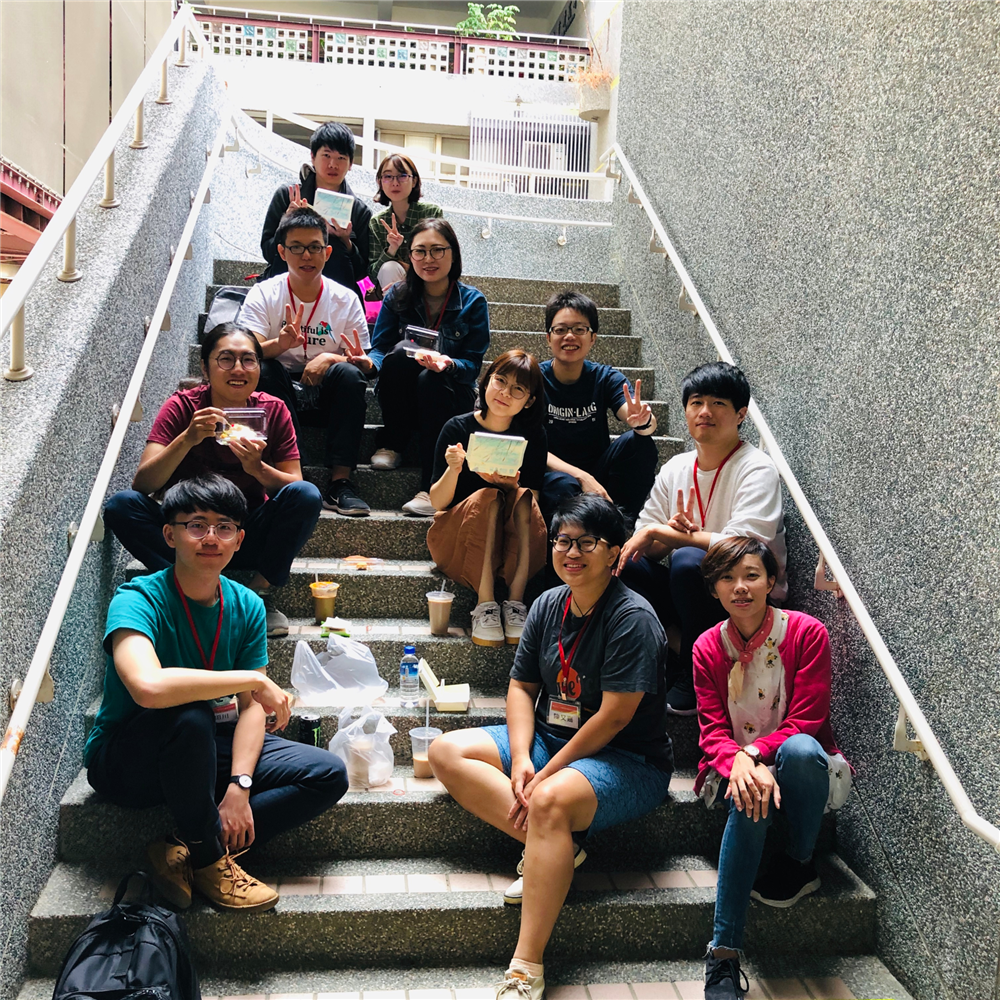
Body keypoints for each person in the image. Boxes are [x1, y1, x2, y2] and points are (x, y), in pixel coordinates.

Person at [430, 495, 673, 1000]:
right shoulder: (547, 603)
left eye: (587, 543)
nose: (571, 552)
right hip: (549, 739)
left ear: (614, 552)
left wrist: (544, 774)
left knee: (548, 800)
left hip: (626, 759)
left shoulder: (632, 617)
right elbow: (521, 687)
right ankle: (556, 846)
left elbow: (614, 717)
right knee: (445, 752)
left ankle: (526, 967)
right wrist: (522, 758)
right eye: (563, 541)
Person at [87, 476, 349, 913]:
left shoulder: (246, 605)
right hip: (130, 760)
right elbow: (148, 687)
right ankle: (210, 860)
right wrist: (250, 681)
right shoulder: (136, 599)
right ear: (169, 534)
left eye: (224, 527)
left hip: (204, 750)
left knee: (327, 773)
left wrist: (240, 786)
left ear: (239, 540)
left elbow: (250, 710)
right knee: (190, 713)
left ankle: (182, 847)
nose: (211, 538)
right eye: (196, 525)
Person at [693, 536, 851, 999]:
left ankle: (800, 860)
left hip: (795, 765)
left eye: (751, 575)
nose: (740, 587)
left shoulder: (806, 632)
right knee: (749, 792)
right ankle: (723, 955)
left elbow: (808, 719)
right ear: (714, 589)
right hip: (739, 767)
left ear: (770, 581)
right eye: (727, 578)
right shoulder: (707, 647)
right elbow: (711, 732)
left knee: (800, 750)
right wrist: (741, 762)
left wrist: (754, 753)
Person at [103, 323, 322, 637]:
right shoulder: (183, 406)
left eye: (248, 360)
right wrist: (187, 438)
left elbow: (293, 484)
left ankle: (258, 593)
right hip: (187, 535)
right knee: (122, 505)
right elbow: (144, 484)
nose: (238, 369)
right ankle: (189, 590)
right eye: (226, 359)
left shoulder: (273, 410)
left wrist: (257, 468)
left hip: (244, 533)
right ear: (205, 368)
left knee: (306, 494)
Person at [616, 362, 786, 716]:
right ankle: (674, 654)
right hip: (692, 596)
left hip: (746, 594)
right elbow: (645, 542)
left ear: (741, 414)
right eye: (696, 402)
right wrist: (667, 537)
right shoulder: (676, 467)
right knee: (625, 564)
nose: (705, 412)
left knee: (688, 561)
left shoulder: (757, 467)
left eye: (718, 403)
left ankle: (695, 676)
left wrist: (669, 535)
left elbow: (746, 546)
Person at [343, 219, 490, 517]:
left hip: (449, 395)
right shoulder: (397, 295)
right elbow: (381, 349)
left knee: (432, 379)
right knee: (399, 353)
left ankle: (431, 487)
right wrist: (369, 363)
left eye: (437, 250)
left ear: (453, 254)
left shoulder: (472, 302)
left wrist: (448, 363)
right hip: (404, 396)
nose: (428, 259)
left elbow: (472, 366)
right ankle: (393, 442)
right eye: (420, 251)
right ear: (410, 256)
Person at [240, 206, 372, 517]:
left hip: (326, 393)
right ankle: (293, 473)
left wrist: (330, 357)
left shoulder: (346, 298)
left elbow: (362, 359)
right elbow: (246, 353)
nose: (307, 256)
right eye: (296, 247)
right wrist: (280, 344)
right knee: (264, 369)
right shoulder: (264, 293)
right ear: (282, 252)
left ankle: (340, 484)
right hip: (280, 390)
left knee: (349, 375)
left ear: (328, 252)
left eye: (314, 247)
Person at [427, 350, 548, 646]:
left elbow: (533, 503)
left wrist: (510, 486)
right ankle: (485, 604)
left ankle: (515, 602)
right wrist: (454, 469)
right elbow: (437, 503)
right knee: (488, 497)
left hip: (507, 544)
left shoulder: (533, 436)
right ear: (486, 381)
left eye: (518, 389)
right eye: (500, 381)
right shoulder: (457, 428)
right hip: (458, 540)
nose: (505, 393)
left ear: (529, 400)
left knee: (520, 496)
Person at [539, 290, 659, 525]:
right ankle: (558, 540)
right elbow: (527, 443)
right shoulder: (534, 379)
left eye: (579, 329)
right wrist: (580, 476)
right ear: (548, 337)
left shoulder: (605, 377)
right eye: (561, 329)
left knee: (639, 443)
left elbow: (637, 415)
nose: (569, 336)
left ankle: (621, 527)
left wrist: (642, 421)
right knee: (563, 482)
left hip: (599, 472)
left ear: (592, 338)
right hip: (553, 474)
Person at [258, 121, 371, 303]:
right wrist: (287, 223)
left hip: (335, 300)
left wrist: (346, 242)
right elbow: (268, 252)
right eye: (326, 155)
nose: (333, 164)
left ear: (351, 164)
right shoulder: (287, 196)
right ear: (312, 156)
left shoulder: (359, 211)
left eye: (341, 158)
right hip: (285, 294)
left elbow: (360, 272)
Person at [368, 153, 443, 295]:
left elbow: (440, 257)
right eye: (388, 176)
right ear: (380, 182)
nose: (395, 183)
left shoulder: (431, 213)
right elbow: (374, 274)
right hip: (394, 290)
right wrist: (391, 250)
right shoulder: (377, 222)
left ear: (414, 181)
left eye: (402, 176)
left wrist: (408, 275)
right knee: (389, 268)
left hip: (428, 283)